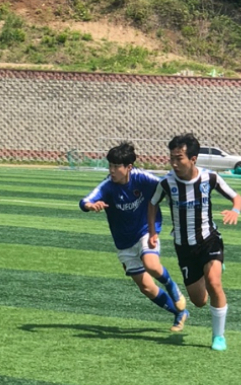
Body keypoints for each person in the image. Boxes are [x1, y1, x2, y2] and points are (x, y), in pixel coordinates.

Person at [147, 134, 241, 351]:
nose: (174, 163)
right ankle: (211, 269)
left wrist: (235, 211)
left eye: (179, 158)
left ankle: (218, 336)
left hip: (209, 240)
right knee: (199, 301)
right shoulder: (166, 183)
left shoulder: (210, 178)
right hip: (184, 248)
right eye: (171, 158)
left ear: (193, 159)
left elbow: (237, 198)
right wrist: (152, 232)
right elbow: (152, 204)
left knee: (214, 283)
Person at [80, 142, 189, 332]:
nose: (112, 170)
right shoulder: (108, 185)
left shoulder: (143, 178)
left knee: (151, 264)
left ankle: (172, 287)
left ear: (129, 167)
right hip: (124, 242)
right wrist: (90, 206)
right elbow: (85, 201)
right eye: (110, 165)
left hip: (146, 230)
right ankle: (179, 313)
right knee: (146, 288)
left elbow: (165, 186)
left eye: (116, 166)